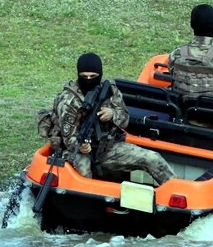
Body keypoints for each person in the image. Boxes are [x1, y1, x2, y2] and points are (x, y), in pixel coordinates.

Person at [43, 52, 175, 186]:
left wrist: (113, 114)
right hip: (76, 152)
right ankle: (88, 201)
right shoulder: (68, 101)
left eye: (93, 76)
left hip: (107, 148)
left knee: (152, 158)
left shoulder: (109, 89)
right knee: (83, 169)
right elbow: (68, 138)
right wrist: (81, 146)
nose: (88, 79)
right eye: (84, 76)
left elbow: (125, 119)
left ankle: (174, 188)